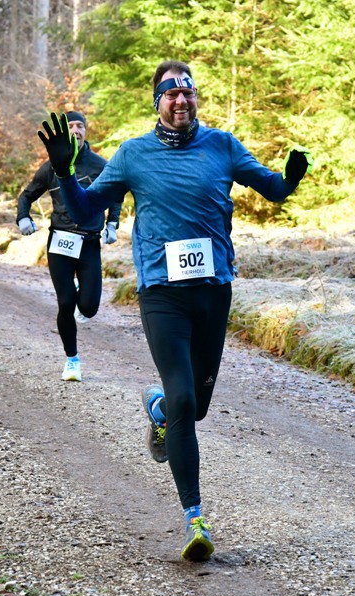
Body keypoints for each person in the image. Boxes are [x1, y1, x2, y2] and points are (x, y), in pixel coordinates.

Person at [37, 60, 312, 561]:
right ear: (157, 101)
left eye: (188, 92)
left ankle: (158, 409)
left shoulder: (222, 146)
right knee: (187, 399)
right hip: (162, 294)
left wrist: (291, 179)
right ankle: (195, 519)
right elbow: (84, 211)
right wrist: (63, 171)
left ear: (195, 98)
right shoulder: (133, 154)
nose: (181, 100)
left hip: (213, 292)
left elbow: (272, 188)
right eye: (171, 93)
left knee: (194, 407)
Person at [17, 111, 122, 382]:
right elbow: (27, 195)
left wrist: (112, 223)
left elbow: (116, 195)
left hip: (89, 242)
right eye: (71, 126)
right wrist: (23, 217)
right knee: (65, 303)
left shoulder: (100, 165)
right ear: (65, 132)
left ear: (86, 131)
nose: (76, 130)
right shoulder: (52, 166)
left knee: (88, 308)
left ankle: (80, 293)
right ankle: (72, 361)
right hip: (60, 242)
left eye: (80, 126)